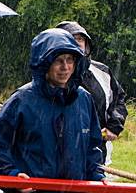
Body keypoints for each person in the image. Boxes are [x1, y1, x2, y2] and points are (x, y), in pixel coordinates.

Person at [0, 28, 104, 183]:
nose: (65, 67)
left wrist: (97, 176)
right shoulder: (22, 100)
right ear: (44, 64)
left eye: (70, 60)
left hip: (76, 189)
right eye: (58, 60)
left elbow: (93, 148)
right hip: (33, 189)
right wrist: (11, 174)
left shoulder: (84, 99)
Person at [55, 21, 128, 164]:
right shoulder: (49, 73)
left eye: (80, 39)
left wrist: (114, 125)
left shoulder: (102, 72)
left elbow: (118, 99)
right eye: (72, 38)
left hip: (96, 152)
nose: (77, 43)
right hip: (55, 154)